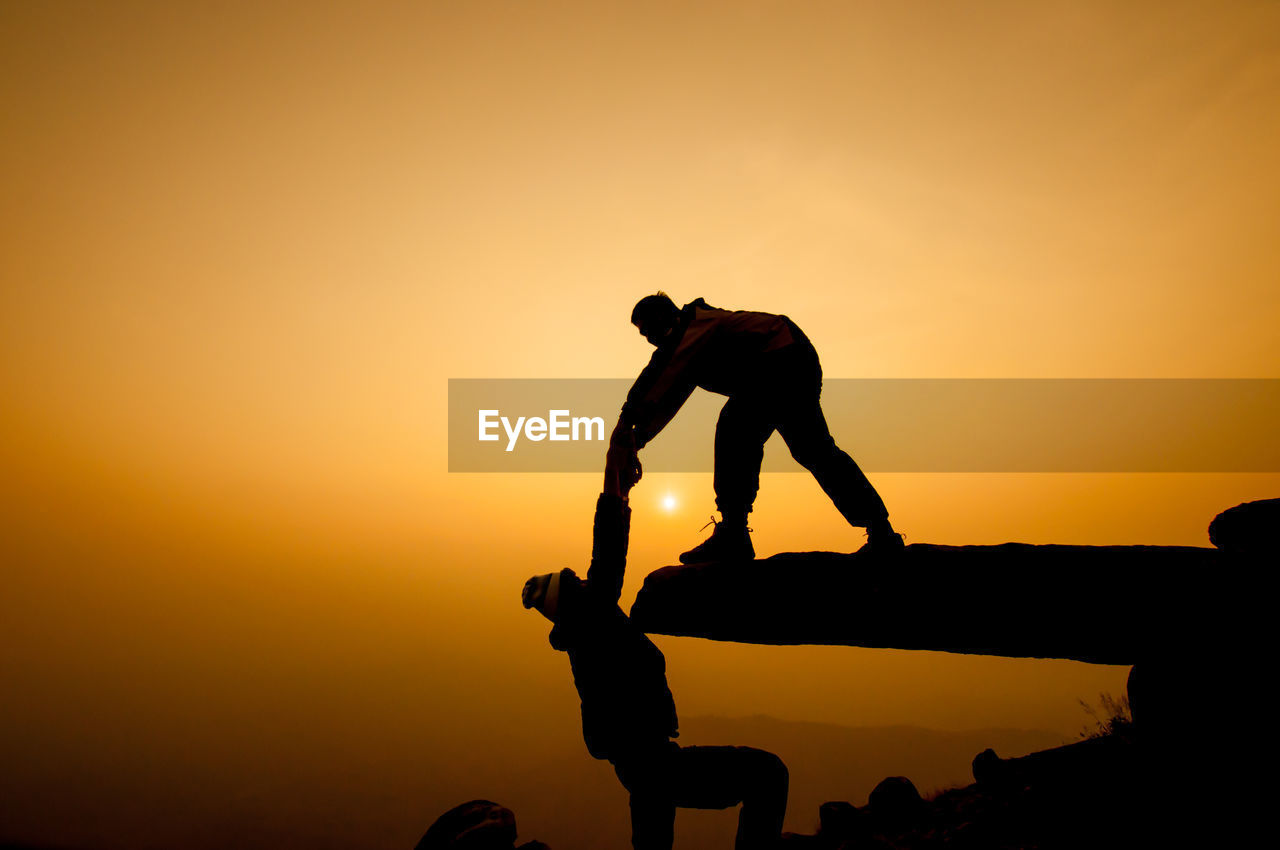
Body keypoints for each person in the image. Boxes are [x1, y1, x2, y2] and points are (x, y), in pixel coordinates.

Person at [521, 458, 788, 850]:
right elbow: (608, 555)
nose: (582, 578)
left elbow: (604, 562)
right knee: (767, 773)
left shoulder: (587, 633)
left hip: (643, 766)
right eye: (574, 581)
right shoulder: (593, 623)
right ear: (574, 599)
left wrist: (621, 487)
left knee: (653, 837)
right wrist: (616, 481)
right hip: (655, 765)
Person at [614, 293, 903, 563]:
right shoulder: (688, 345)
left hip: (782, 358)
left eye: (649, 330)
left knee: (736, 430)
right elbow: (672, 393)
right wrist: (639, 438)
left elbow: (658, 376)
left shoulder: (695, 327)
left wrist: (627, 420)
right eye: (644, 335)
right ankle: (881, 530)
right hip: (789, 359)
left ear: (666, 318)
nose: (649, 339)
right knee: (813, 450)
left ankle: (734, 534)